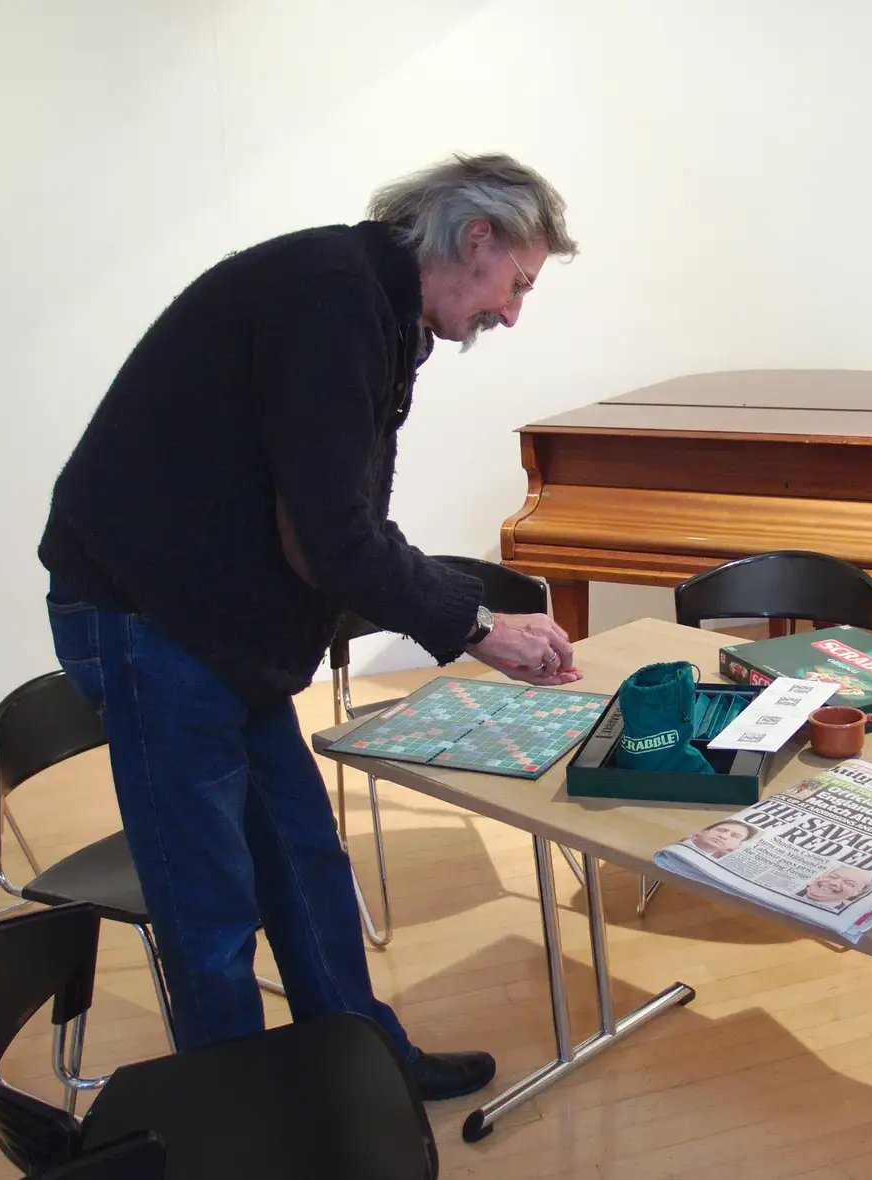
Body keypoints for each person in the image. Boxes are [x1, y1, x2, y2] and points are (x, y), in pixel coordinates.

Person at [37, 153, 580, 1102]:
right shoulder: (331, 300)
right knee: (210, 901)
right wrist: (478, 625)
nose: (511, 313)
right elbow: (336, 541)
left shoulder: (365, 301)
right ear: (476, 237)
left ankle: (362, 1071)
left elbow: (343, 523)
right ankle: (243, 1125)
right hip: (144, 614)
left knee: (301, 856)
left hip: (212, 621)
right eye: (517, 284)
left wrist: (460, 613)